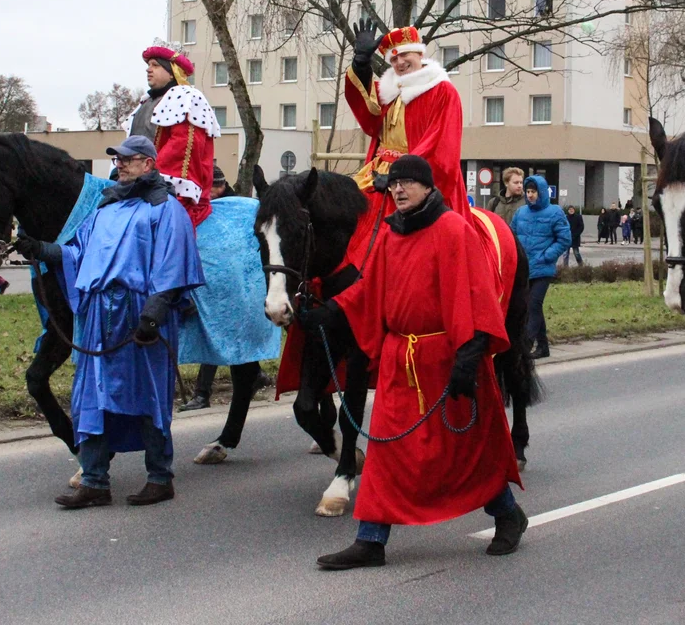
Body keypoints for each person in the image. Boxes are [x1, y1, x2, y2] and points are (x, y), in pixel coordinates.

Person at [301, 155, 526, 570]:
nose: (398, 190)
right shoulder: (390, 236)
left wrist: (469, 357)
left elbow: (476, 294)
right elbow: (369, 291)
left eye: (406, 183)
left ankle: (508, 513)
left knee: (464, 449)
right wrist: (328, 312)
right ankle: (370, 540)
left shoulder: (454, 230)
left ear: (426, 187)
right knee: (387, 453)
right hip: (399, 361)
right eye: (393, 185)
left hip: (446, 358)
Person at [15, 135, 204, 509]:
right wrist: (41, 250)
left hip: (142, 316)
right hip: (100, 316)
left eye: (128, 160)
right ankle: (95, 481)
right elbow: (75, 254)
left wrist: (155, 312)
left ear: (148, 164)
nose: (120, 165)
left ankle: (159, 477)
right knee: (92, 397)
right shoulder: (104, 211)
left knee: (148, 395)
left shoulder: (166, 210)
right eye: (117, 160)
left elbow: (173, 263)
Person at [343, 19, 469, 266]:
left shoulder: (442, 91)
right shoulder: (390, 93)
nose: (399, 63)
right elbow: (368, 116)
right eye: (393, 59)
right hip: (375, 173)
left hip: (412, 178)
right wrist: (361, 63)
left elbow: (440, 145)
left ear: (419, 53)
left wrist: (397, 178)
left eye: (404, 55)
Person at [179, 164, 270, 412]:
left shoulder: (236, 211)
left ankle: (203, 393)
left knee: (219, 335)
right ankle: (254, 374)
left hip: (237, 283)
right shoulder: (208, 210)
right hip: (219, 282)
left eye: (208, 189)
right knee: (222, 335)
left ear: (219, 186)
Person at [123, 40, 221, 228]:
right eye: (148, 65)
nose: (148, 70)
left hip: (170, 186)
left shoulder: (185, 98)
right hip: (138, 180)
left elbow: (182, 147)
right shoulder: (146, 102)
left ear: (172, 71)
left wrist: (148, 174)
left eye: (156, 65)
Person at [511, 175, 570, 359]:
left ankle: (526, 345)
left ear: (541, 192)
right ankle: (543, 347)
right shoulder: (520, 213)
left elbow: (564, 239)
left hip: (543, 268)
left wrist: (548, 256)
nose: (530, 195)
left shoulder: (555, 213)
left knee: (533, 305)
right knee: (533, 306)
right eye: (528, 192)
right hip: (524, 268)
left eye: (533, 192)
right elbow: (511, 235)